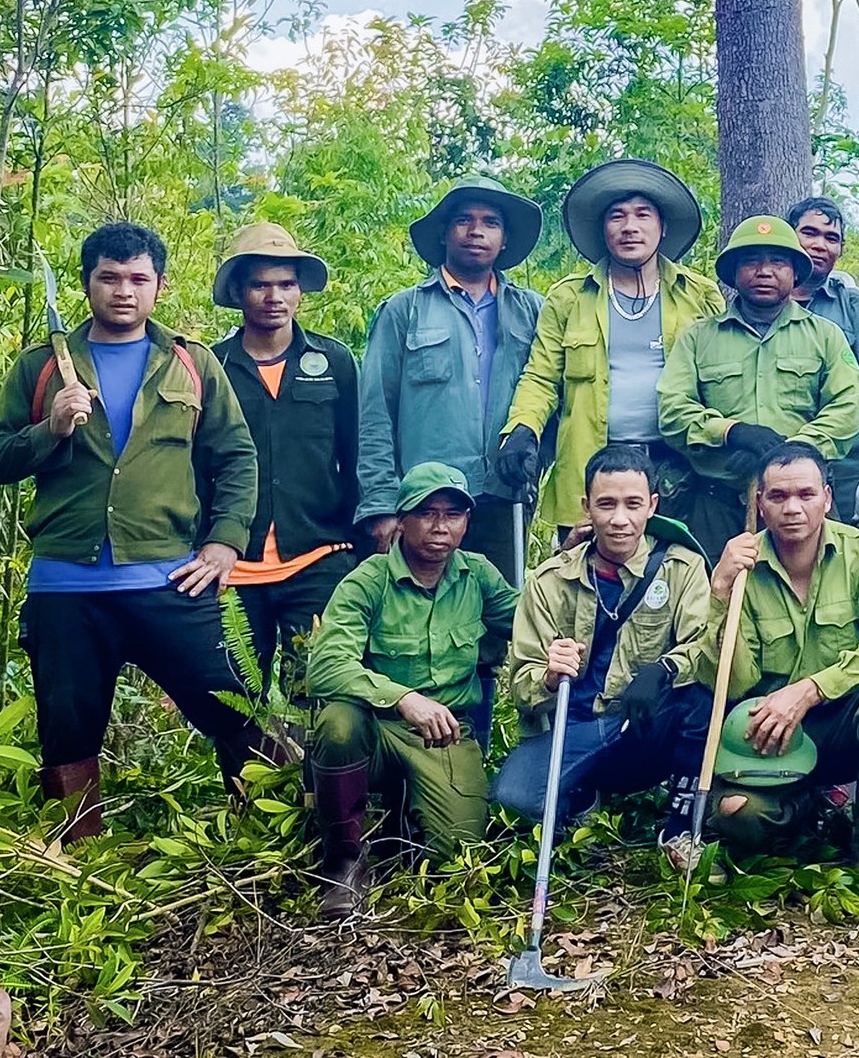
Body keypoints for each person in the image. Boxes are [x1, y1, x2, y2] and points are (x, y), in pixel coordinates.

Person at [0, 222, 269, 843]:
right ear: (87, 284)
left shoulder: (191, 363)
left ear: (159, 285)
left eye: (138, 279)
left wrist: (223, 544)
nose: (124, 291)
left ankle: (265, 836)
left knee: (234, 706)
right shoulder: (42, 367)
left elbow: (236, 457)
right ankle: (79, 863)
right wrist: (49, 429)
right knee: (67, 734)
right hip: (65, 587)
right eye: (109, 278)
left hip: (168, 579)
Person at [299, 464, 518, 918]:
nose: (440, 527)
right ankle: (343, 863)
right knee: (338, 722)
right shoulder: (368, 580)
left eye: (453, 515)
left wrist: (574, 559)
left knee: (457, 863)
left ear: (466, 522)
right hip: (377, 730)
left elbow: (534, 616)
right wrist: (403, 698)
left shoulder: (477, 576)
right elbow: (325, 666)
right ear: (403, 520)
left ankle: (405, 814)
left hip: (445, 735)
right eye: (427, 513)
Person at [702, 444, 859, 860]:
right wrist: (719, 593)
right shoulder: (741, 569)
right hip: (771, 740)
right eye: (778, 497)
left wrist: (810, 690)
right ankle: (806, 817)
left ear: (827, 497)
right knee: (738, 815)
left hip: (842, 724)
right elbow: (731, 685)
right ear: (760, 504)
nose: (793, 508)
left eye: (805, 495)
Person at [494, 443, 716, 840]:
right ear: (586, 507)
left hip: (640, 728)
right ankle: (579, 797)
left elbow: (703, 646)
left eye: (632, 504)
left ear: (652, 505)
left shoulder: (682, 568)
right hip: (572, 729)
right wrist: (548, 676)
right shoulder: (549, 581)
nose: (619, 520)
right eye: (606, 504)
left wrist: (664, 669)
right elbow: (520, 687)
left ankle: (682, 826)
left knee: (700, 695)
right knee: (516, 803)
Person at [502, 159, 723, 551]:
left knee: (678, 580)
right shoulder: (569, 297)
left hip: (680, 468)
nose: (630, 227)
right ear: (603, 229)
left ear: (663, 226)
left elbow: (722, 379)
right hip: (593, 467)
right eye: (617, 216)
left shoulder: (699, 295)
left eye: (643, 215)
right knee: (588, 587)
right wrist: (522, 429)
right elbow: (540, 375)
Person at [208, 222, 370, 706]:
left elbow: (356, 454)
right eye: (260, 284)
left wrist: (363, 547)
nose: (274, 297)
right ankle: (252, 786)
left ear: (300, 292)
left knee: (319, 697)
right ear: (239, 291)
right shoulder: (211, 367)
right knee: (239, 706)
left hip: (319, 555)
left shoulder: (334, 361)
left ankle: (313, 787)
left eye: (286, 284)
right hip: (234, 565)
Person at [360, 175, 545, 584]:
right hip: (426, 505)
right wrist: (382, 506)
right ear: (444, 232)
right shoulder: (403, 310)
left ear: (505, 238)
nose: (476, 231)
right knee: (417, 624)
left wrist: (533, 464)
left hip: (504, 497)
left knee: (499, 624)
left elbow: (552, 392)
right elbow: (374, 414)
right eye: (463, 219)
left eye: (490, 222)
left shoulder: (534, 311)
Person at [657, 215, 859, 559]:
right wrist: (731, 432)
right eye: (752, 260)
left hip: (800, 504)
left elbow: (845, 411)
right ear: (734, 272)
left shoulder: (825, 336)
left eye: (778, 261)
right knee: (715, 599)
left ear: (796, 272)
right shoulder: (698, 338)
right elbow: (672, 409)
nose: (765, 271)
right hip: (717, 501)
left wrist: (790, 453)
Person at [788, 196, 859, 536]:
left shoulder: (853, 307)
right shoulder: (758, 302)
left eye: (831, 238)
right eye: (809, 233)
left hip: (844, 470)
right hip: (777, 469)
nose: (820, 244)